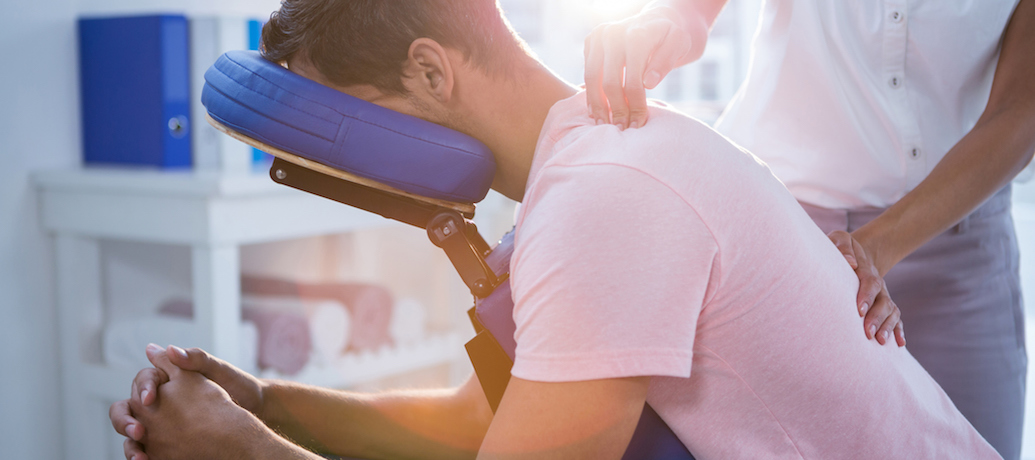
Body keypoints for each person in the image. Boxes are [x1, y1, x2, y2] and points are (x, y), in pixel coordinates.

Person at [109, 1, 1001, 458]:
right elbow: (478, 424)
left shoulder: (604, 199)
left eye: (346, 119)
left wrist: (238, 451)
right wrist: (271, 405)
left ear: (428, 71)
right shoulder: (591, 162)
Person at [583, 1, 1035, 458]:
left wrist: (872, 249)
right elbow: (694, 12)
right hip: (788, 235)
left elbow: (1022, 110)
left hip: (959, 255)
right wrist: (664, 27)